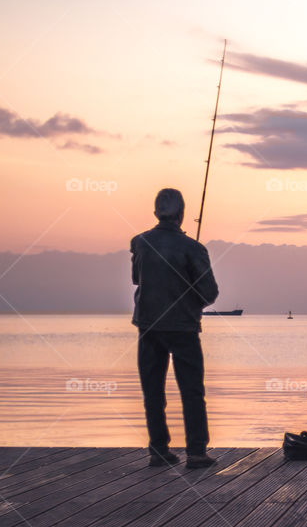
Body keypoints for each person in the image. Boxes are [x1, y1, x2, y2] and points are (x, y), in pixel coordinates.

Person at [130, 188, 219, 468]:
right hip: (183, 328)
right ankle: (196, 453)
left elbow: (137, 279)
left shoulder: (140, 242)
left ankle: (158, 450)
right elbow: (210, 293)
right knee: (191, 391)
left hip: (148, 326)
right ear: (182, 214)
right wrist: (192, 299)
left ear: (156, 212)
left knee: (152, 391)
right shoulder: (193, 248)